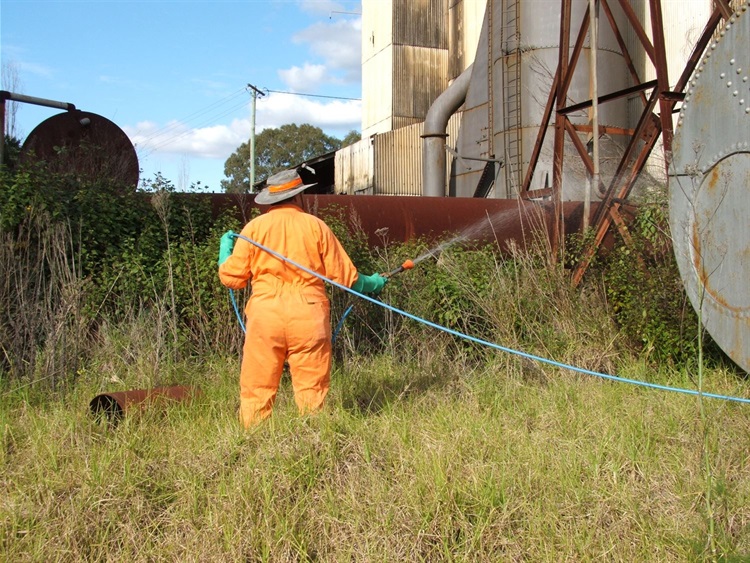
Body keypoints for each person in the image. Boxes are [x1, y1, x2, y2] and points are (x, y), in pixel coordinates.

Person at [218, 168, 387, 427]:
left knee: (257, 386)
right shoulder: (316, 226)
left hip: (266, 317)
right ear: (298, 196)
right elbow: (347, 278)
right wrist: (374, 282)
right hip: (309, 315)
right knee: (312, 389)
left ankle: (251, 444)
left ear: (270, 201)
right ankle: (311, 442)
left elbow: (232, 279)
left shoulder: (253, 229)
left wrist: (224, 248)